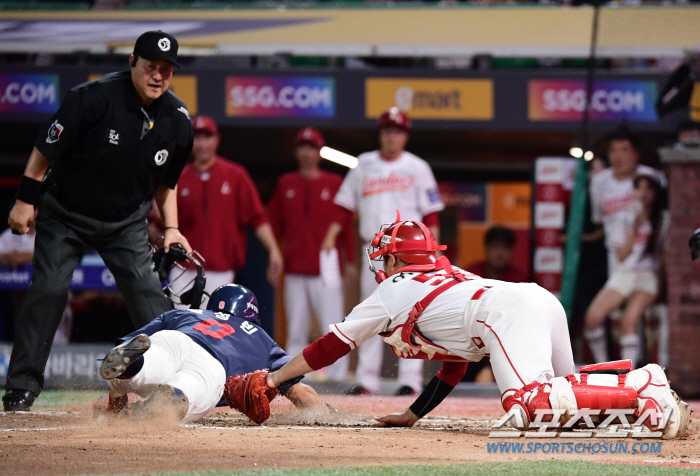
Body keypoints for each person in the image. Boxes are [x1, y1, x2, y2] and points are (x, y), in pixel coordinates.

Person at [232, 215, 689, 438]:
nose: (379, 264)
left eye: (382, 256)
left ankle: (641, 394)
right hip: (533, 300)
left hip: (508, 310)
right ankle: (641, 384)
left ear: (394, 259)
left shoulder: (395, 289)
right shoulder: (447, 279)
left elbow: (332, 346)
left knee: (530, 409)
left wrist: (275, 378)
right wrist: (413, 415)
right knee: (566, 401)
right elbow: (454, 365)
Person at [3, 30, 193, 412]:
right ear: (132, 64)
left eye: (166, 70)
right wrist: (25, 201)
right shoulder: (90, 98)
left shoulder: (178, 120)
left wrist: (171, 227)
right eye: (150, 67)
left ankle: (175, 386)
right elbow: (44, 151)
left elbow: (166, 185)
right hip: (66, 215)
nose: (158, 76)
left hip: (125, 222)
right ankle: (22, 387)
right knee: (49, 291)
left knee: (149, 299)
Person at [322, 107, 444, 396]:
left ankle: (411, 380)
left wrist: (434, 253)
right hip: (375, 250)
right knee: (370, 313)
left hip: (410, 252)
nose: (392, 136)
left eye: (398, 131)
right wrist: (330, 238)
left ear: (405, 135)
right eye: (388, 130)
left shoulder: (417, 167)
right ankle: (367, 380)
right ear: (381, 133)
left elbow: (433, 214)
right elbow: (344, 207)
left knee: (411, 313)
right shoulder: (363, 164)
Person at [101, 284, 325, 423]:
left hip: (175, 339)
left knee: (149, 362)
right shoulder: (260, 336)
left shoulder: (185, 313)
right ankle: (173, 395)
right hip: (211, 364)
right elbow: (299, 391)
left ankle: (136, 367)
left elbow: (132, 340)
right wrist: (325, 414)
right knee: (189, 389)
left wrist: (116, 405)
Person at [268, 127, 355, 380]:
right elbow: (274, 225)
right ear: (296, 152)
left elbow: (345, 226)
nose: (308, 153)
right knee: (295, 328)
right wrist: (274, 259)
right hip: (295, 268)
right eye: (303, 147)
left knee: (334, 327)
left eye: (313, 148)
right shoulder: (285, 184)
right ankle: (295, 378)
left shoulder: (334, 183)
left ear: (320, 151)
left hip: (327, 270)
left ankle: (338, 376)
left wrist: (349, 260)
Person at [172, 115, 283, 308]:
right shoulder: (179, 178)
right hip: (184, 269)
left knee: (215, 329)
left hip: (221, 269)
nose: (202, 143)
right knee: (181, 328)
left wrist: (273, 250)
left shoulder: (235, 175)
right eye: (197, 138)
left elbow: (257, 217)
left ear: (217, 139)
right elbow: (163, 225)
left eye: (207, 137)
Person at [584, 125, 665, 364]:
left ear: (636, 153)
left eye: (624, 150)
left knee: (632, 320)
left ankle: (634, 377)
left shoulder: (652, 179)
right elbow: (599, 221)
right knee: (600, 318)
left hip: (647, 264)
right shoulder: (599, 182)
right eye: (613, 150)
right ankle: (604, 369)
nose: (618, 156)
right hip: (617, 261)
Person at [0, 219, 73, 344]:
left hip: (50, 286)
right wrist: (7, 257)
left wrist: (25, 256)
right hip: (23, 292)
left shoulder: (53, 231)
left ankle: (58, 353)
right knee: (25, 319)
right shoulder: (10, 234)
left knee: (55, 316)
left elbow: (59, 252)